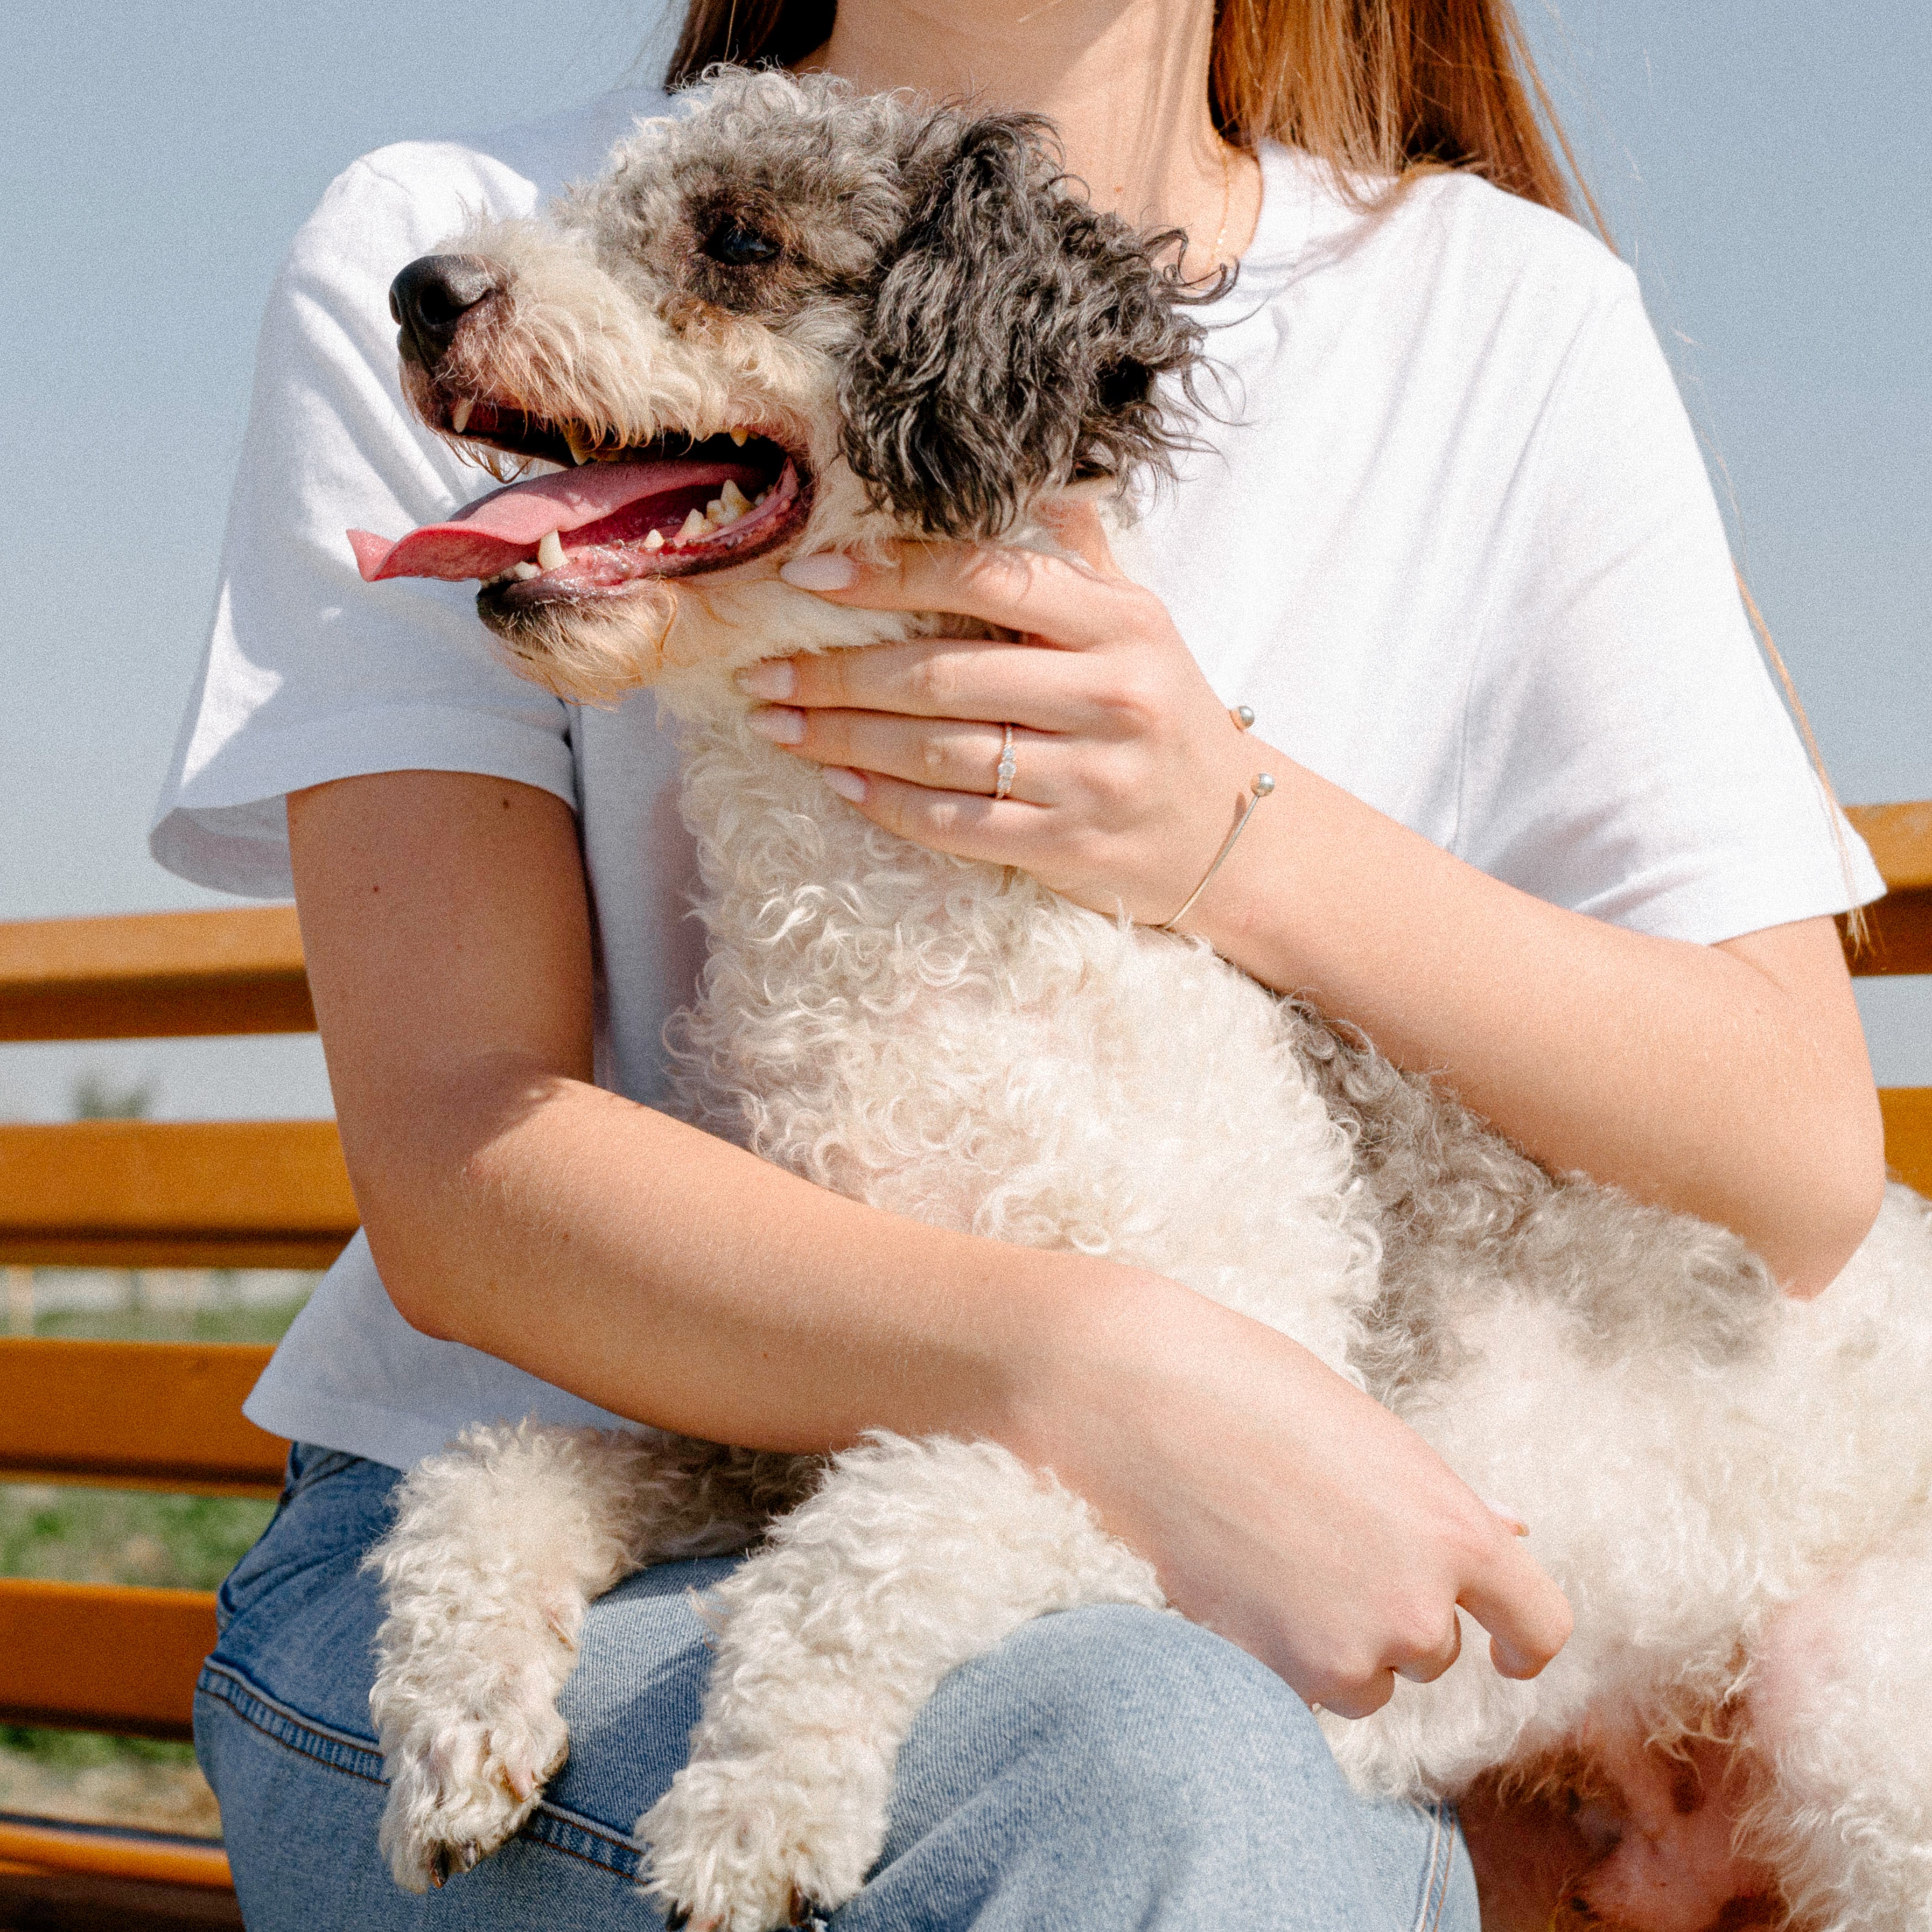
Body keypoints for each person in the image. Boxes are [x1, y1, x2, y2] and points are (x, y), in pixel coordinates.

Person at [151, 0, 1888, 1925]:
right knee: (1176, 1778)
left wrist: (1225, 829)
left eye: (734, 264)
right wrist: (1118, 1371)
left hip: (1264, 1599)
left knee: (1200, 1764)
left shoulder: (1502, 314)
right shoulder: (461, 216)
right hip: (617, 1577)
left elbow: (1803, 1154)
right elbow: (465, 1169)